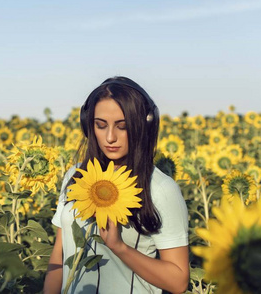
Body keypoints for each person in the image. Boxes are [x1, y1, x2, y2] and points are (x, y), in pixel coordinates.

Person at [43, 76, 189, 293]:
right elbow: (59, 254)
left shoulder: (160, 189)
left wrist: (119, 247)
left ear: (143, 127)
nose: (110, 137)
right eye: (101, 126)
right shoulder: (76, 176)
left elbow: (178, 282)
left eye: (122, 126)